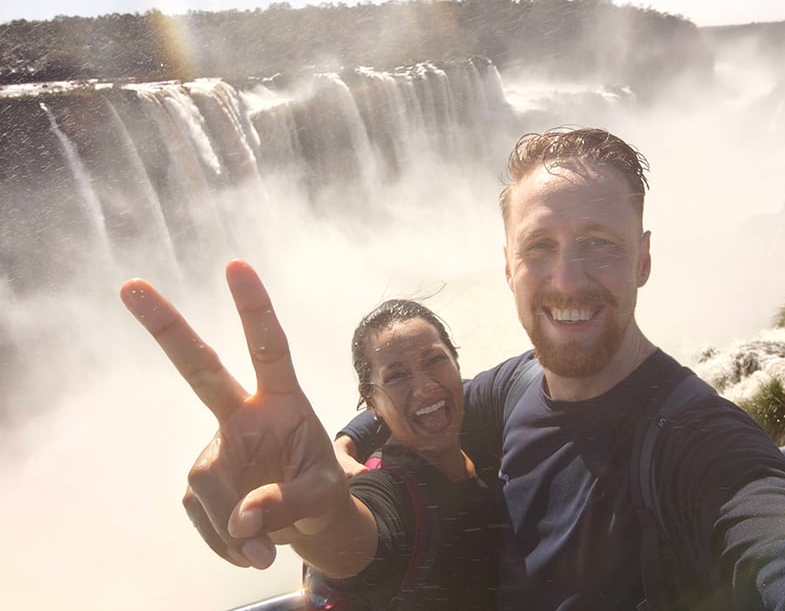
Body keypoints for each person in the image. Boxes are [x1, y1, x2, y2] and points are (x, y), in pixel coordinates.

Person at [335, 127, 785, 610]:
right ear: (508, 266)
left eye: (598, 243)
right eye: (539, 247)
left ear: (643, 259)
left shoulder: (701, 444)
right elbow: (432, 400)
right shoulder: (518, 383)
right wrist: (341, 446)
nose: (567, 279)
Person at [119, 261, 502, 609]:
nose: (425, 389)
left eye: (435, 361)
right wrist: (318, 521)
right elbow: (357, 540)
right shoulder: (393, 489)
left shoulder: (483, 426)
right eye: (397, 377)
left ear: (456, 363)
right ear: (370, 401)